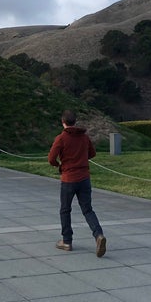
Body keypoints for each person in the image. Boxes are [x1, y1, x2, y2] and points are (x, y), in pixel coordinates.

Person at [48, 109, 106, 257]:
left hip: (68, 179)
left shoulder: (61, 138)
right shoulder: (84, 137)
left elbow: (51, 158)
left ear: (63, 122)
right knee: (87, 209)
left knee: (65, 210)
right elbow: (92, 153)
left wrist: (60, 165)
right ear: (75, 122)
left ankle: (66, 241)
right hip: (84, 178)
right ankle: (98, 235)